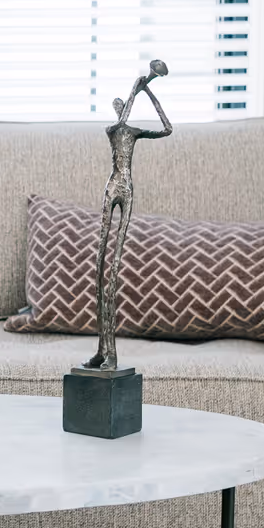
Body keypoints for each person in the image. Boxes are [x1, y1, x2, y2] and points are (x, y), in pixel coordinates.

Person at [82, 60, 173, 372]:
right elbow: (123, 118)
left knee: (113, 271)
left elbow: (167, 128)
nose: (121, 107)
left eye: (122, 104)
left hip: (127, 190)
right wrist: (139, 85)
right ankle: (101, 350)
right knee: (98, 267)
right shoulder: (114, 130)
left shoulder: (133, 132)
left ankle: (112, 354)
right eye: (119, 106)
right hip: (112, 188)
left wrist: (149, 90)